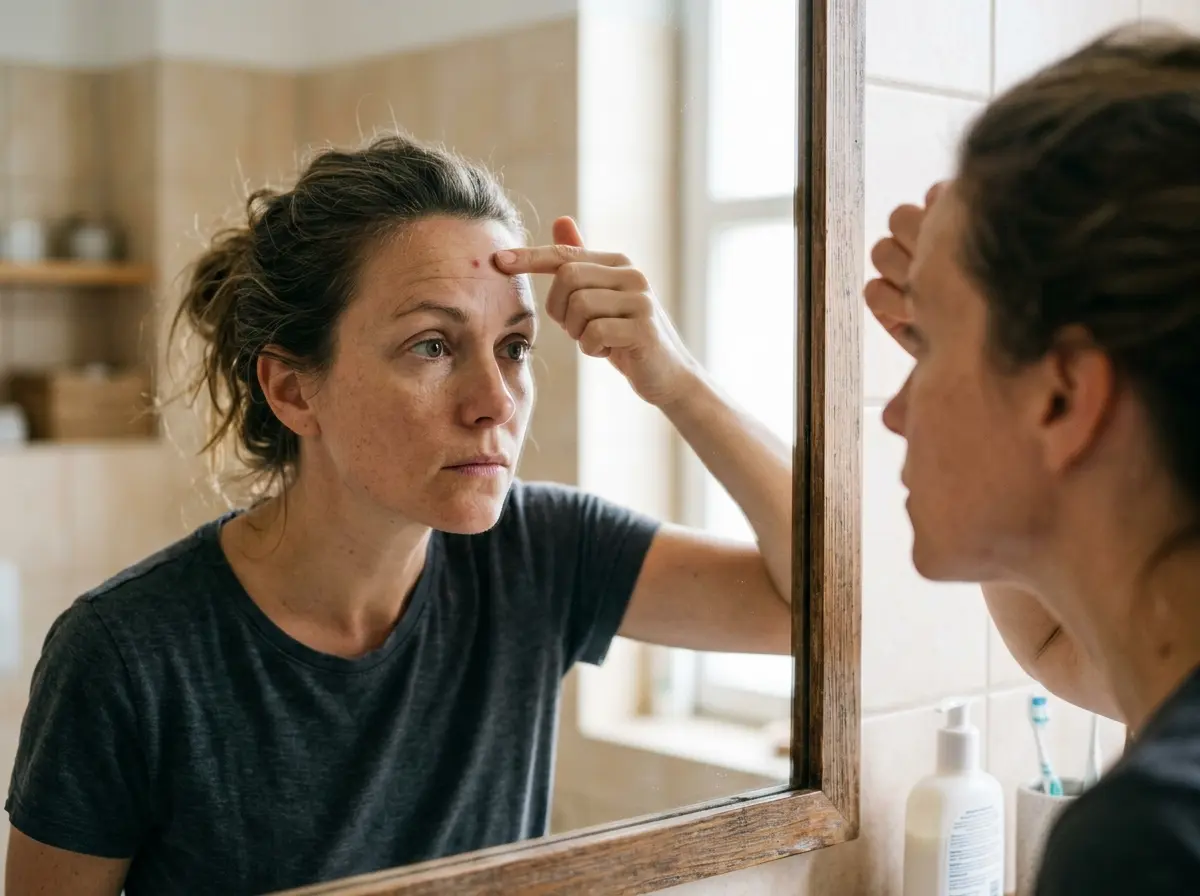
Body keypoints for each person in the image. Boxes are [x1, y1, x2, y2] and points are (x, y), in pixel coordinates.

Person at [4, 135, 793, 896]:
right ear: (292, 391)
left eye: (514, 347)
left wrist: (675, 379)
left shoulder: (541, 553)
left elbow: (816, 611)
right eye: (432, 346)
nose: (495, 403)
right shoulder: (126, 657)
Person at [865, 23, 1200, 895]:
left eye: (927, 345)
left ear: (1062, 398)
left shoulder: (1150, 841)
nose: (898, 412)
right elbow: (1057, 642)